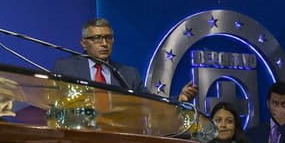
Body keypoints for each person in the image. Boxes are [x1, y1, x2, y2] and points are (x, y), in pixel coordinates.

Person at [53, 18, 197, 101]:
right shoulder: (66, 68)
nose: (104, 43)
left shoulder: (128, 74)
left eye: (108, 38)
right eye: (97, 38)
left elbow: (151, 103)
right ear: (83, 43)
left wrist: (178, 98)